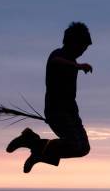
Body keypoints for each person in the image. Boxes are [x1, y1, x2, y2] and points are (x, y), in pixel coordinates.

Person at [6, 22, 93, 173]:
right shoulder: (57, 55)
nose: (83, 51)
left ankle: (36, 147)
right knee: (76, 145)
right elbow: (55, 62)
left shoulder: (71, 62)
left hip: (71, 113)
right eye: (82, 47)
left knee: (83, 148)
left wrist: (76, 65)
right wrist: (78, 66)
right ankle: (34, 144)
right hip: (57, 112)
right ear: (72, 42)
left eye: (85, 49)